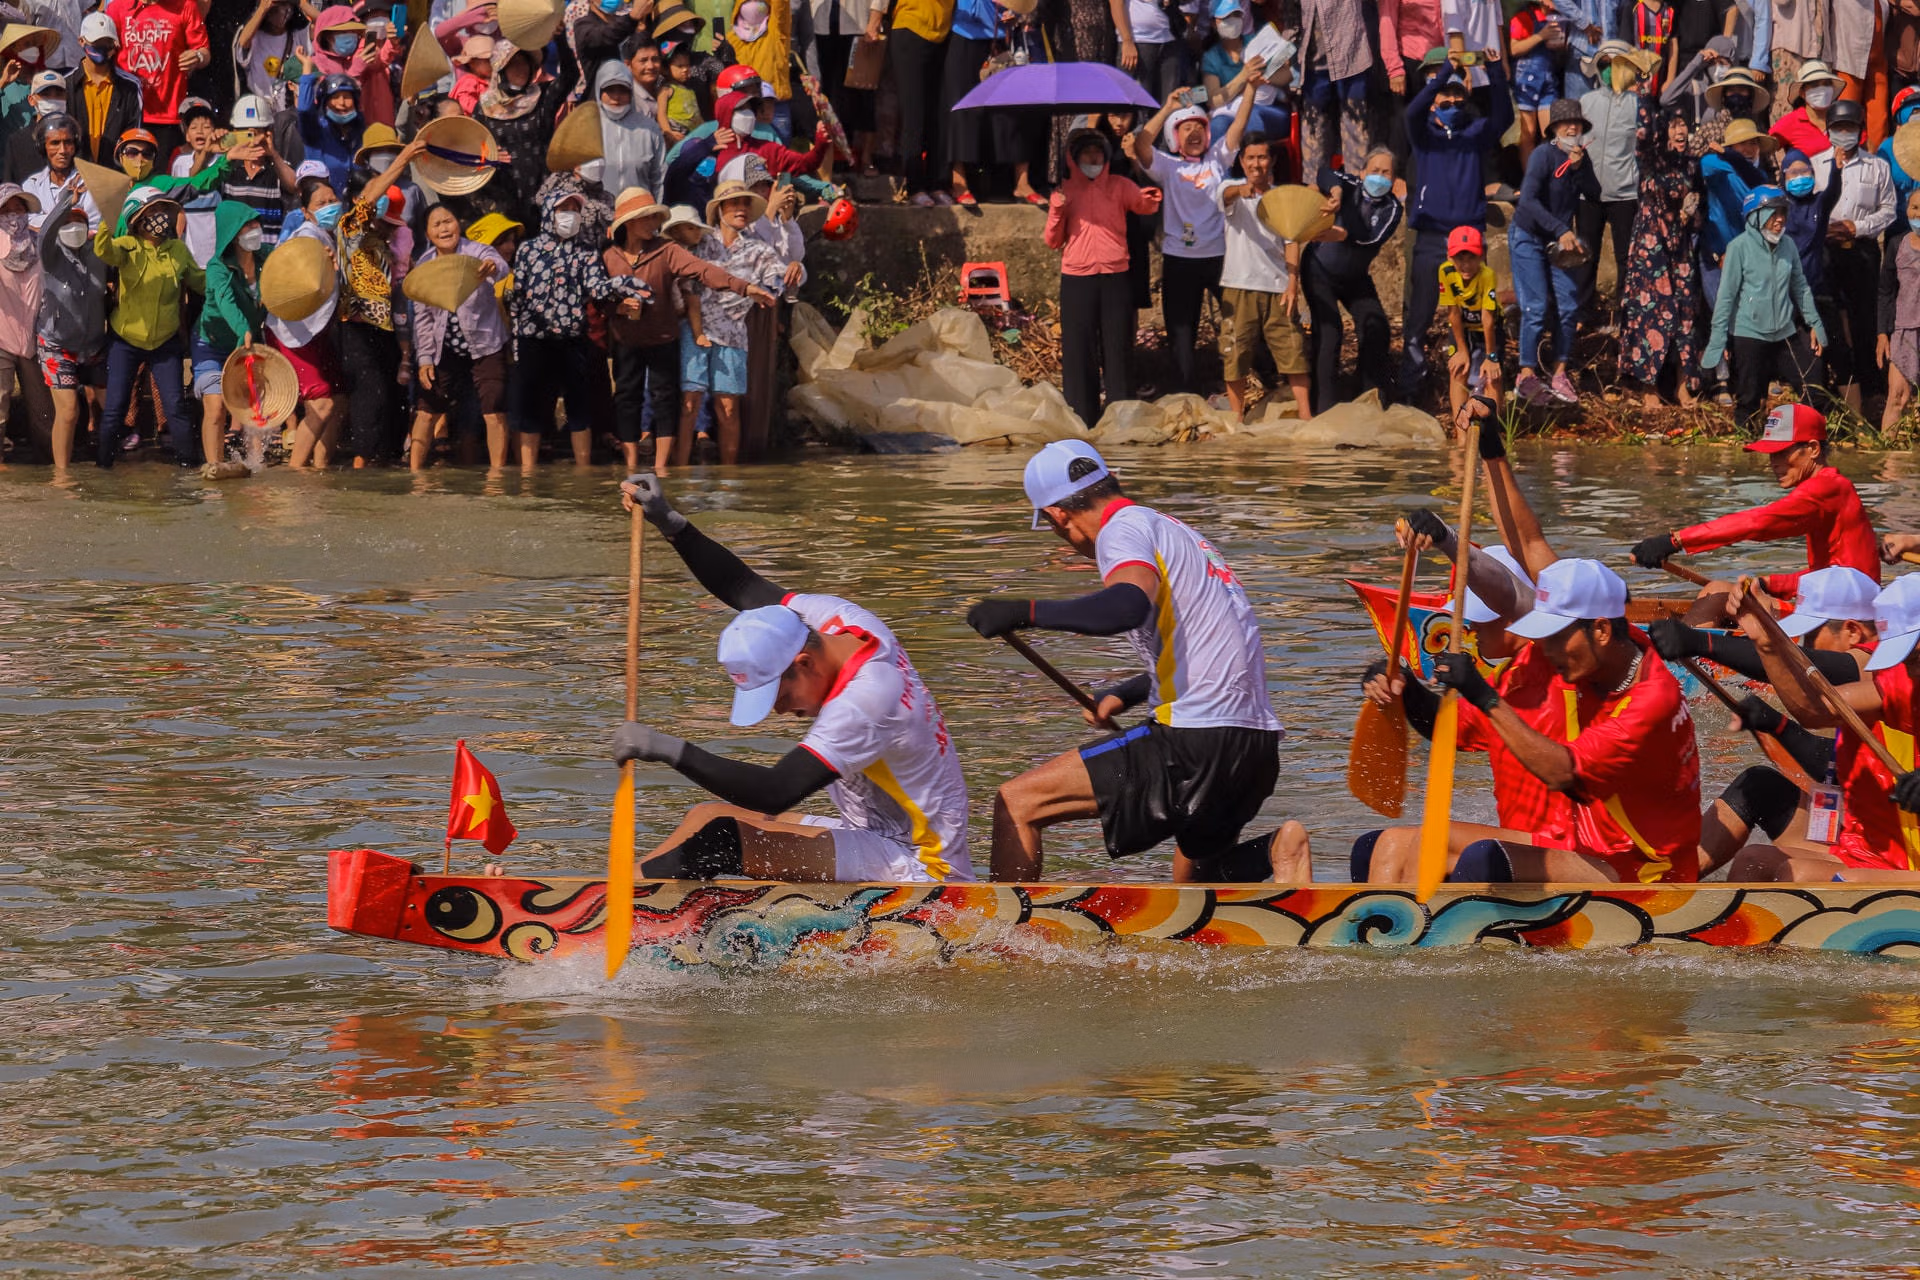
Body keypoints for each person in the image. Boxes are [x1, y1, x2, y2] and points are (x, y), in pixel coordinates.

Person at [612, 474, 975, 884]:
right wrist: (673, 524)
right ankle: (612, 892)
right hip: (872, 834)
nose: (781, 712)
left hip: (925, 867)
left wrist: (665, 748)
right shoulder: (837, 621)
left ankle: (605, 905)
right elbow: (743, 586)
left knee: (721, 842)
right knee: (705, 817)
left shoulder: (867, 699)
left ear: (803, 662)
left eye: (779, 696)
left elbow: (775, 792)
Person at [963, 441, 1287, 882]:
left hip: (1196, 740)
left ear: (1059, 516)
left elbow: (1126, 607)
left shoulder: (1121, 530)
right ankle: (1279, 851)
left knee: (1017, 802)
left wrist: (1024, 611)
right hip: (1257, 748)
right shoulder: (1178, 532)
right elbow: (1217, 646)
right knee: (1194, 885)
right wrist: (1127, 692)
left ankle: (1006, 925)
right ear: (1109, 481)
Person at [1389, 555, 1703, 883]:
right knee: (1388, 846)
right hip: (1584, 846)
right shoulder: (1593, 655)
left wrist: (1483, 696)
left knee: (1453, 848)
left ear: (1601, 630)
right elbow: (1520, 569)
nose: (1546, 650)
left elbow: (1562, 773)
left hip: (1644, 867)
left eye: (1555, 637)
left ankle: (1413, 916)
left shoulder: (1648, 698)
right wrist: (1406, 687)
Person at [1647, 564, 1878, 875]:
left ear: (1853, 631)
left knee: (1769, 865)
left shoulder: (1882, 668)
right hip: (1858, 831)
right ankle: (1668, 881)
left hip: (1888, 850)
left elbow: (1806, 669)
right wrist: (1776, 724)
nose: (1804, 645)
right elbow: (1837, 761)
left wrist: (1704, 643)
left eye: (1811, 635)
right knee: (1759, 786)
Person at [1729, 574, 1920, 882]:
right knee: (1752, 861)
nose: (1911, 671)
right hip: (1878, 850)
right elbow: (1815, 712)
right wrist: (1765, 642)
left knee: (1821, 879)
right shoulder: (1903, 683)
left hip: (1906, 862)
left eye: (1916, 658)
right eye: (1904, 659)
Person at [603, 186, 776, 473]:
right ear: (630, 222)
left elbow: (704, 271)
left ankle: (662, 469)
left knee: (665, 398)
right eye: (647, 217)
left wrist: (743, 287)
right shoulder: (610, 256)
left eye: (654, 217)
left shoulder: (666, 250)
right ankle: (631, 466)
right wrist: (618, 308)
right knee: (626, 399)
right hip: (626, 340)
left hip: (662, 338)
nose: (653, 223)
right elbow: (598, 299)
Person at [1630, 402, 1881, 598]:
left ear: (1814, 449)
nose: (1774, 463)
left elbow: (1758, 523)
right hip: (1841, 598)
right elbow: (1829, 573)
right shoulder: (1829, 486)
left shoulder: (1826, 488)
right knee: (1719, 592)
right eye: (1771, 454)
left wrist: (1675, 541)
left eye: (1782, 453)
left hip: (1850, 613)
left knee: (1715, 592)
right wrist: (1769, 584)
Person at [509, 185, 646, 468]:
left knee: (579, 409)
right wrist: (516, 342)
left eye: (575, 210)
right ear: (549, 212)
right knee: (533, 408)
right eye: (564, 209)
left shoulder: (586, 252)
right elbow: (517, 296)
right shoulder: (527, 250)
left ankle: (583, 474)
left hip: (572, 339)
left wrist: (625, 286)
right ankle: (527, 476)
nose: (570, 215)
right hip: (534, 340)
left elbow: (597, 288)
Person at [1132, 87, 1256, 397]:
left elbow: (1239, 125)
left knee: (1239, 321)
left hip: (1218, 258)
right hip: (1179, 261)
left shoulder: (1217, 159)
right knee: (1182, 332)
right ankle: (1186, 392)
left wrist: (1251, 89)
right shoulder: (1167, 166)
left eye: (1199, 127)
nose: (1194, 133)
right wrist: (1168, 107)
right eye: (1186, 128)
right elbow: (1141, 144)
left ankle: (1253, 379)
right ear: (1174, 136)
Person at [1401, 46, 1511, 383]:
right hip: (1431, 234)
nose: (1451, 103)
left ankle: (1472, 378)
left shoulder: (1475, 132)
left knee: (1472, 310)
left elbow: (1504, 117)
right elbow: (1412, 112)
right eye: (1444, 99)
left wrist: (1494, 70)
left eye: (1456, 98)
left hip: (1468, 236)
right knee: (1420, 309)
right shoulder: (1423, 135)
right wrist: (1444, 75)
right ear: (1433, 100)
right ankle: (1413, 379)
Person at [1046, 123, 1162, 428]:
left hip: (1116, 277)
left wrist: (1150, 197)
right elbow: (1053, 241)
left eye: (1098, 153)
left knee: (1118, 348)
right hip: (1077, 280)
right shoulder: (1065, 191)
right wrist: (1057, 210)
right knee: (1078, 349)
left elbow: (1142, 205)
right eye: (1086, 153)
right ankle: (1081, 416)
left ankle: (1120, 417)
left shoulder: (1120, 185)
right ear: (1074, 158)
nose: (1093, 159)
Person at [669, 178, 783, 467]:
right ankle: (680, 472)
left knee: (728, 409)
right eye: (734, 204)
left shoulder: (759, 251)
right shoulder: (700, 243)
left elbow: (778, 280)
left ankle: (729, 478)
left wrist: (796, 270)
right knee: (689, 404)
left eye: (745, 204)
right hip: (695, 329)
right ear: (720, 209)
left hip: (732, 334)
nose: (741, 209)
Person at [1700, 188, 1828, 433]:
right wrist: (1719, 339)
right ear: (1755, 216)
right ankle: (1746, 445)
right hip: (1749, 334)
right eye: (1773, 213)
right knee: (1749, 399)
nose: (1780, 219)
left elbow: (1800, 287)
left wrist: (1815, 324)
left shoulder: (1788, 245)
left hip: (1785, 333)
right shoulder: (1738, 247)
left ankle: (1809, 438)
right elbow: (1726, 297)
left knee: (1813, 388)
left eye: (1783, 213)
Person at [93, 185, 204, 466]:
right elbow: (103, 249)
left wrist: (228, 275)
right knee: (115, 408)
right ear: (137, 218)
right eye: (153, 210)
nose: (160, 216)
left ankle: (189, 469)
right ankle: (103, 468)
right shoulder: (126, 246)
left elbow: (200, 282)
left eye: (163, 210)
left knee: (175, 406)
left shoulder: (178, 250)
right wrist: (107, 218)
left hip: (165, 342)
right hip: (125, 340)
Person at [335, 144, 426, 467]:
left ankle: (388, 463)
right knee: (369, 393)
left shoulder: (386, 236)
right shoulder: (349, 228)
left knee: (394, 395)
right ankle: (362, 462)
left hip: (387, 327)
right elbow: (372, 196)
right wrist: (404, 158)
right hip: (358, 326)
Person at [1215, 130, 1312, 421]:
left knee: (1293, 350)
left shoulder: (1283, 197)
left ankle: (1306, 416)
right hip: (1238, 285)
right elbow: (1226, 197)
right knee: (1235, 353)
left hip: (1278, 286)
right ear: (1241, 161)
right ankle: (1236, 418)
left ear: (1272, 161)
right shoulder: (1230, 188)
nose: (1256, 164)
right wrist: (1242, 190)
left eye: (1262, 157)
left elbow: (1292, 241)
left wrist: (1293, 284)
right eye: (1250, 158)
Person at [1510, 96, 1597, 406]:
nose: (1572, 128)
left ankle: (1559, 373)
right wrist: (1561, 229)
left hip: (1558, 243)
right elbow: (1528, 201)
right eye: (1565, 123)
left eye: (1576, 124)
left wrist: (1579, 168)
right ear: (1554, 128)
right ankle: (1526, 375)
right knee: (1534, 307)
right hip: (1530, 235)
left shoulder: (1580, 157)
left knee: (1569, 305)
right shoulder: (1542, 155)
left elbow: (1594, 193)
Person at [1304, 148, 1403, 411]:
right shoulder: (1350, 185)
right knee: (1329, 332)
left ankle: (1370, 397)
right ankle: (1322, 405)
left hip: (1355, 278)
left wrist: (1343, 234)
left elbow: (1371, 238)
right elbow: (1325, 173)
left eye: (1386, 173)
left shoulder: (1392, 208)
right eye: (1374, 171)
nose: (1379, 177)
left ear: (1394, 180)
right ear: (1362, 172)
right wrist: (1336, 193)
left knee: (1376, 327)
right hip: (1319, 270)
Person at [1619, 88, 1699, 407]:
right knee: (1650, 313)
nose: (1680, 131)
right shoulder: (1650, 159)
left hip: (1679, 244)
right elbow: (1642, 135)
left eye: (1684, 125)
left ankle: (1682, 385)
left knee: (1685, 312)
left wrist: (1692, 209)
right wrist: (1644, 93)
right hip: (1649, 247)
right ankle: (1648, 389)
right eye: (1674, 125)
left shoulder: (1690, 165)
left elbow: (1696, 200)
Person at [1817, 98, 1896, 412]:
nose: (1844, 132)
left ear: (1860, 130)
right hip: (1826, 252)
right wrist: (1823, 229)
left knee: (1865, 319)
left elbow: (1889, 209)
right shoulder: (1814, 164)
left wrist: (1857, 227)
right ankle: (1833, 385)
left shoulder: (1877, 166)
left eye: (1850, 126)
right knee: (1830, 318)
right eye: (1838, 127)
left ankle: (1870, 386)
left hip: (1862, 251)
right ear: (1828, 130)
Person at [273, 175, 346, 470]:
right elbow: (294, 268)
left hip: (316, 332)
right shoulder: (306, 235)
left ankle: (320, 469)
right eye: (320, 203)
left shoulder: (330, 233)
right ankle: (296, 472)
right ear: (305, 212)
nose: (329, 206)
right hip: (292, 333)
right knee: (322, 404)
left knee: (338, 397)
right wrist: (319, 260)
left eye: (332, 201)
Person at [36, 182, 106, 470]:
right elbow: (45, 232)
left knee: (113, 406)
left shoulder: (98, 254)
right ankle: (62, 476)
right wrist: (68, 202)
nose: (73, 227)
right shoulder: (50, 255)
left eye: (79, 222)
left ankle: (109, 464)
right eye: (68, 222)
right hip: (57, 344)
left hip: (93, 345)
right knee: (68, 412)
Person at [191, 201, 267, 468]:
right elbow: (226, 303)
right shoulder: (217, 267)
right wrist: (243, 328)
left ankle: (256, 467)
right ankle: (215, 468)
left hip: (247, 345)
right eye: (247, 225)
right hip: (211, 344)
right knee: (216, 408)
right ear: (233, 233)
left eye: (256, 222)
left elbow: (293, 265)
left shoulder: (266, 257)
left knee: (251, 408)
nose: (255, 228)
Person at [1575, 42, 1645, 324]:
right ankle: (1582, 317)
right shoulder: (1585, 102)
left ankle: (1626, 317)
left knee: (1626, 258)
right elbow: (1568, 139)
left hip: (1624, 194)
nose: (1609, 71)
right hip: (1589, 194)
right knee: (1585, 257)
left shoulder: (1636, 105)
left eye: (1615, 65)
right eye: (1604, 65)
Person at [103, 0, 208, 161]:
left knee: (162, 174)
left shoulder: (185, 6)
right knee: (125, 173)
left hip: (168, 114)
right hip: (127, 112)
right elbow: (103, 52)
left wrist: (197, 56)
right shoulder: (117, 7)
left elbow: (204, 51)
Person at [0, 182, 48, 458]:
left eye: (19, 208)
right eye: (6, 209)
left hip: (35, 336)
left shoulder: (40, 243)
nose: (13, 214)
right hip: (1, 336)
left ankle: (52, 466)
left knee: (43, 411)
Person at [1439, 225, 1502, 421]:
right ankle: (1461, 432)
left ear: (1482, 256)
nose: (1466, 265)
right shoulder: (1445, 272)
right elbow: (1453, 313)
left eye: (1471, 258)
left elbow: (1487, 319)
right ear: (1450, 257)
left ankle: (1492, 430)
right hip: (1462, 327)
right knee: (1458, 369)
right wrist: (1462, 350)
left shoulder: (1487, 275)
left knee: (1492, 376)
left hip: (1487, 329)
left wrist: (1491, 356)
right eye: (1460, 259)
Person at [65, 11, 141, 167]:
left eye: (107, 43)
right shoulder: (66, 85)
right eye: (97, 42)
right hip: (75, 173)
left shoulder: (131, 87)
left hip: (114, 173)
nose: (102, 48)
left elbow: (133, 137)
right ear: (81, 41)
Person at [1879, 187, 1920, 432]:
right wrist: (1882, 333)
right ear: (1906, 210)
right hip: (1904, 330)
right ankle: (1888, 452)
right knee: (1897, 397)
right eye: (1915, 207)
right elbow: (1885, 292)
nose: (1919, 214)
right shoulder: (1897, 244)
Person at [294, 59, 366, 197]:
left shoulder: (360, 132)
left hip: (354, 205)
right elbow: (304, 110)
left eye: (347, 97)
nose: (342, 103)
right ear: (325, 103)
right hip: (323, 204)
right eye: (335, 97)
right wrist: (307, 69)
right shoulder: (315, 131)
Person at [595, 60, 664, 200]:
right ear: (599, 92)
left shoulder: (649, 128)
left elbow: (659, 177)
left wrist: (656, 210)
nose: (616, 97)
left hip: (640, 210)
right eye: (610, 90)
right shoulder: (589, 127)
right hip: (598, 210)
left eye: (623, 90)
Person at [1508, 0, 1563, 164]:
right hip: (1525, 81)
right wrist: (1540, 36)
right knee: (1528, 133)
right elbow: (1514, 49)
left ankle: (1550, 173)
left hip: (1548, 80)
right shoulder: (1523, 17)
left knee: (1551, 132)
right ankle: (1530, 176)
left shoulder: (1560, 18)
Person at [20, 113, 96, 233]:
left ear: (75, 146)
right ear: (43, 147)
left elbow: (92, 227)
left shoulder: (90, 183)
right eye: (55, 143)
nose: (63, 150)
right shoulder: (31, 185)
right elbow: (27, 224)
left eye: (68, 142)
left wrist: (44, 224)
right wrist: (70, 220)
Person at [1771, 58, 1841, 155]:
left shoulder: (1842, 117)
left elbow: (1863, 147)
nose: (1822, 89)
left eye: (1826, 84)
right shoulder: (1791, 122)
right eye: (1814, 85)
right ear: (1802, 93)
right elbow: (1765, 145)